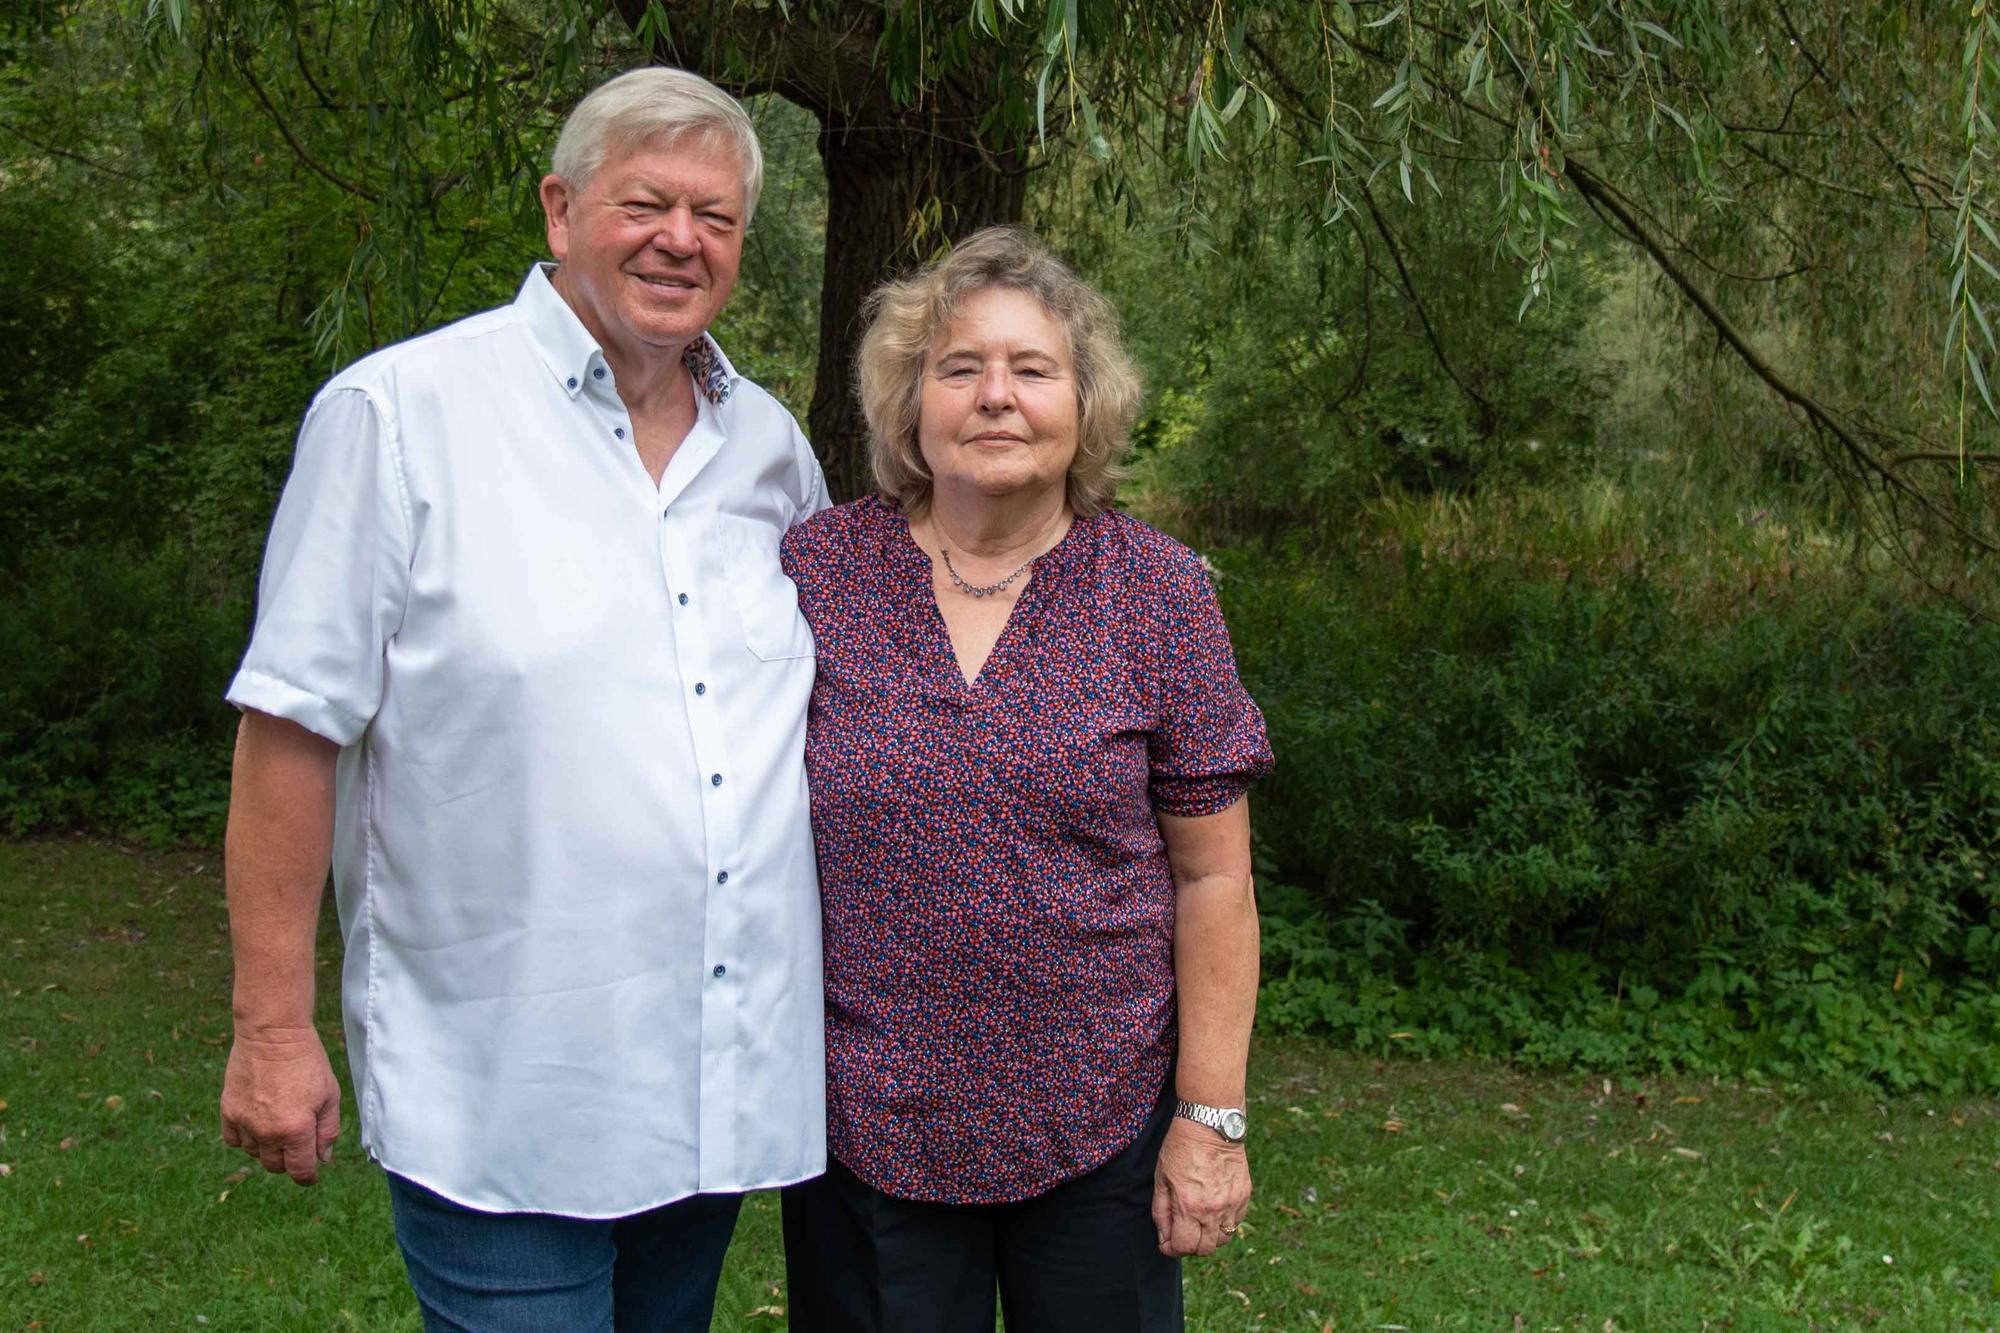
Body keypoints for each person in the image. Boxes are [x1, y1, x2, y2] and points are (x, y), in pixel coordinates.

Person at [217, 66, 826, 1331]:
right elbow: (290, 725)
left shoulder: (769, 449)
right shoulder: (399, 415)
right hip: (500, 1086)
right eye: (643, 202)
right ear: (560, 210)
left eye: (714, 218)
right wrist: (269, 1025)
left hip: (712, 1083)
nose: (679, 240)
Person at [777, 227, 1271, 1331]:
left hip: (1103, 1121)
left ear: (1083, 405)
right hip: (862, 1126)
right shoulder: (815, 573)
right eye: (959, 368)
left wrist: (1210, 1116)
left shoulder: (1159, 594)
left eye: (1031, 370)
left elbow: (1213, 883)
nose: (995, 397)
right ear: (910, 402)